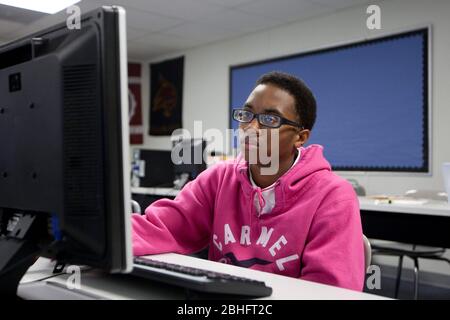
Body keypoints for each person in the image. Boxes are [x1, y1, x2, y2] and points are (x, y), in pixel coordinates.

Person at [132, 71, 365, 291]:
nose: (251, 128)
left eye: (270, 119)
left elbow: (329, 290)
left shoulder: (333, 195)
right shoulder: (219, 179)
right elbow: (162, 228)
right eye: (246, 115)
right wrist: (105, 235)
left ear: (300, 137)